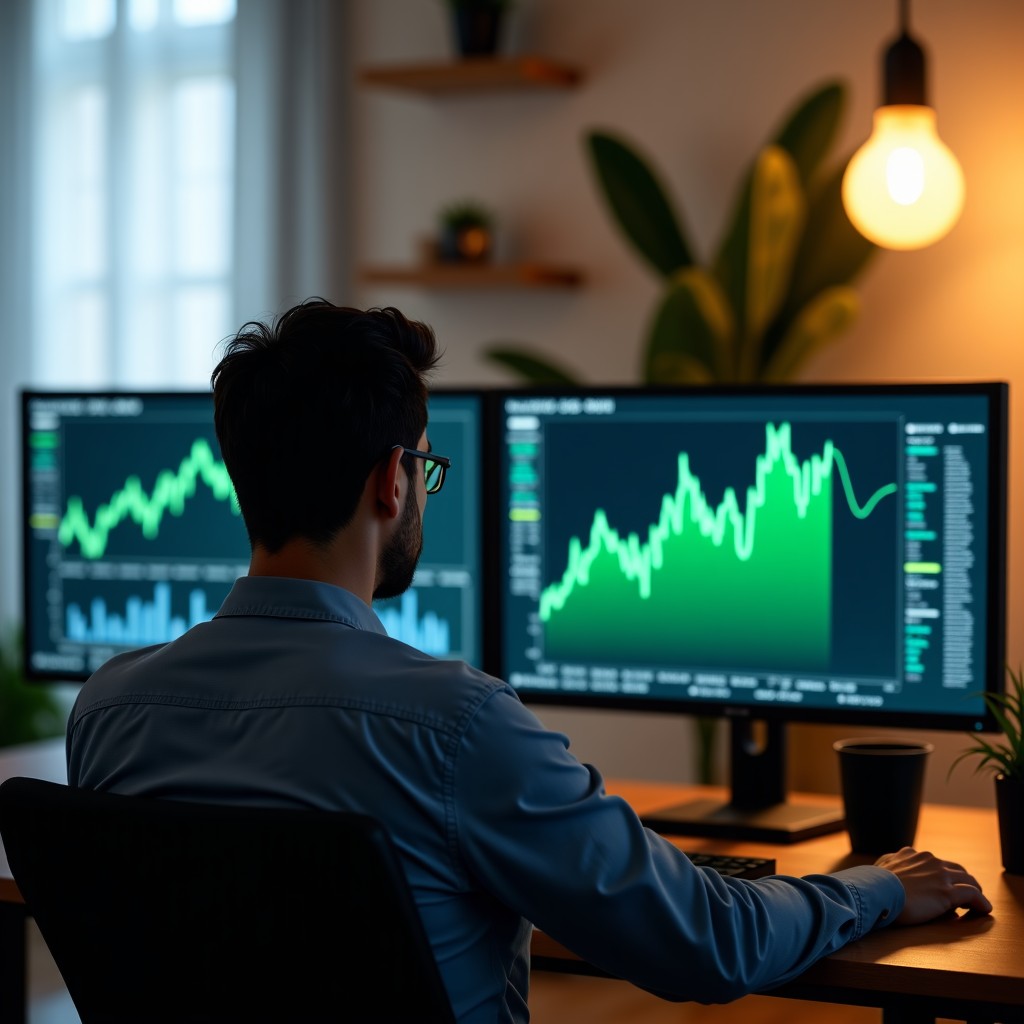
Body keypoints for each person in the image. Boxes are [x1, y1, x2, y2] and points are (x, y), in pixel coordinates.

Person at [66, 298, 992, 1024]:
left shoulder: (108, 713)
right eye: (425, 469)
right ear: (391, 481)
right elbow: (706, 943)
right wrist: (876, 885)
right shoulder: (454, 727)